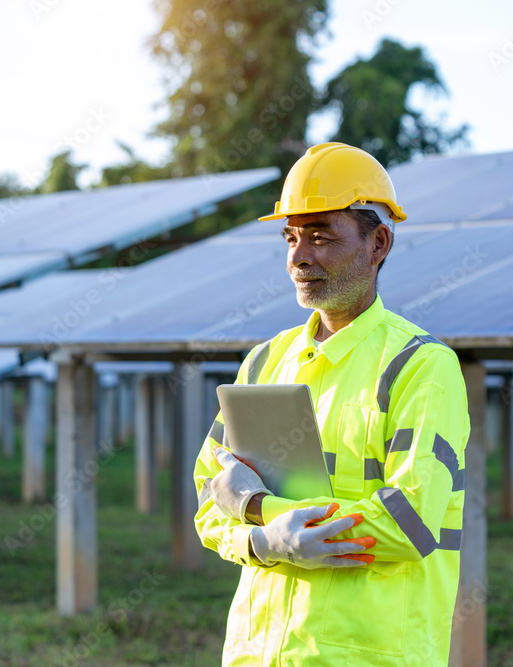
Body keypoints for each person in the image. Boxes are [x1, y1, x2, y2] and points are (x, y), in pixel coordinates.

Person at [193, 142, 471, 666]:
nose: (300, 256)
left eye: (322, 236)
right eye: (292, 237)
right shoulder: (263, 361)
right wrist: (262, 544)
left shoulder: (420, 366)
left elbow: (408, 520)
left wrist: (260, 512)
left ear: (378, 243)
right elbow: (210, 502)